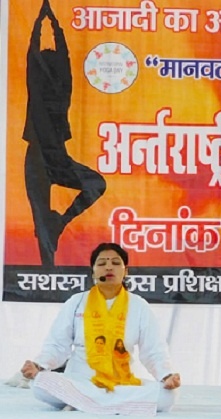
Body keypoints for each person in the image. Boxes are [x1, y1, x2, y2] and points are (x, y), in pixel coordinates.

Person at [19, 242, 181, 415]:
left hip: (120, 384)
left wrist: (166, 375)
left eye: (116, 263)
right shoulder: (76, 302)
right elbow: (57, 346)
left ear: (126, 271)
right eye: (102, 263)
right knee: (40, 384)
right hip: (78, 381)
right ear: (94, 271)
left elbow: (153, 350)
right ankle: (110, 405)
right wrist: (39, 365)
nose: (109, 267)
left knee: (168, 395)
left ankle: (84, 403)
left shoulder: (139, 306)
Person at [24, 0, 106, 266]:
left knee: (96, 184)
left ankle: (58, 221)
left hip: (56, 158)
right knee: (42, 231)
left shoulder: (62, 90)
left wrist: (46, 22)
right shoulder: (41, 87)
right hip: (38, 159)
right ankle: (48, 261)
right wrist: (48, 24)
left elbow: (54, 57)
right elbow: (38, 57)